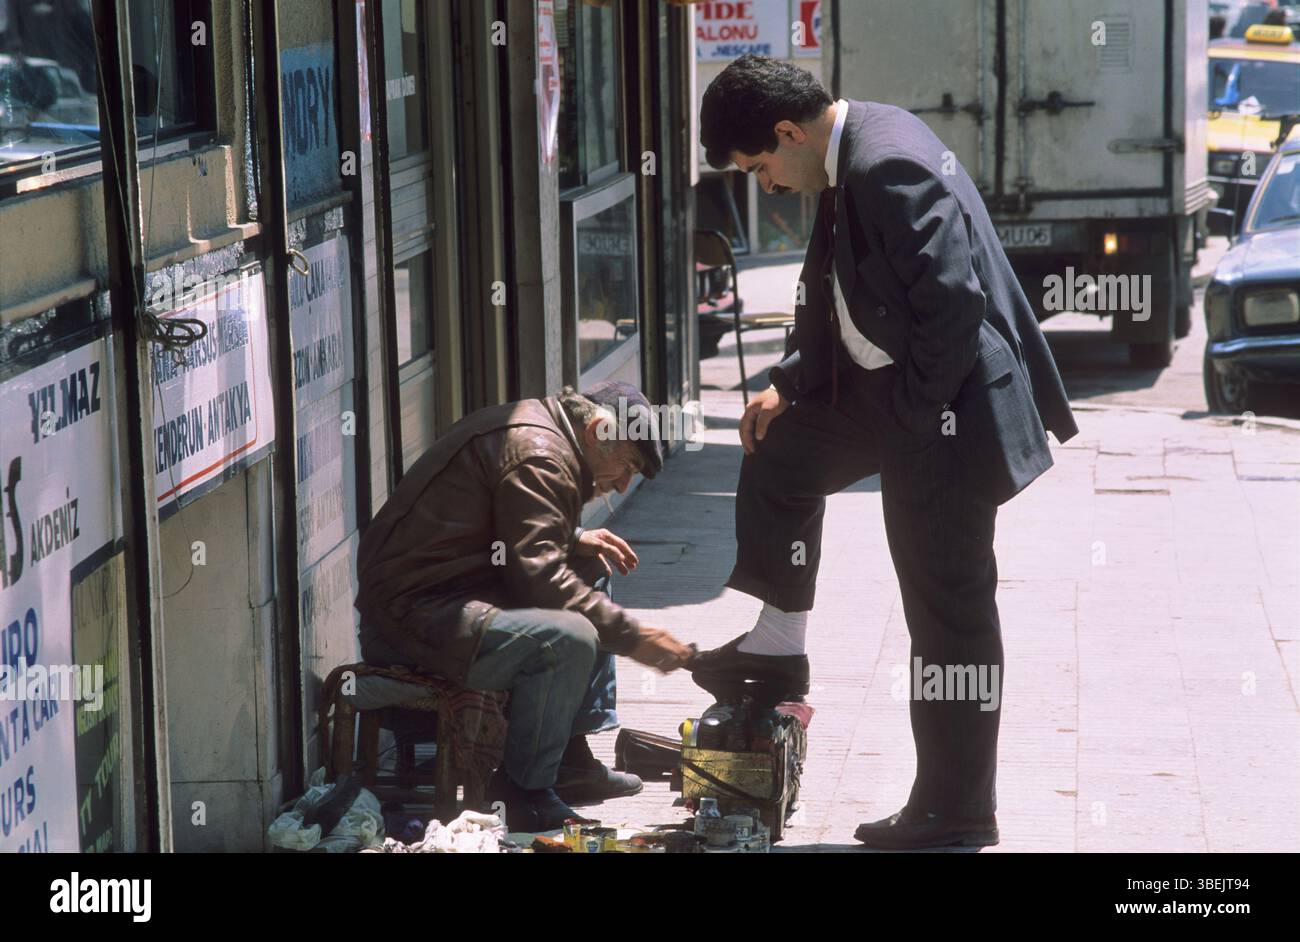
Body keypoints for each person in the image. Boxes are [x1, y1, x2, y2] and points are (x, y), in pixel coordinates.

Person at [694, 55, 1078, 849]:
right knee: (779, 452)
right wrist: (790, 385)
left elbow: (951, 304)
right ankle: (778, 649)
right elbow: (845, 294)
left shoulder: (885, 162)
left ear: (787, 132)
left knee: (947, 616)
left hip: (943, 413)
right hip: (893, 395)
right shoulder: (848, 154)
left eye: (761, 167)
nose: (765, 186)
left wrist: (912, 422)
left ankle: (956, 809)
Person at [353, 381, 693, 831]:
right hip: (411, 617)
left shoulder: (544, 431)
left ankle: (568, 754)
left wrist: (574, 539)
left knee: (591, 568)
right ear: (597, 430)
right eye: (626, 464)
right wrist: (637, 638)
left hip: (447, 593)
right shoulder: (540, 453)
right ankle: (522, 793)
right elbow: (540, 580)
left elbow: (501, 528)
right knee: (568, 639)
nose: (623, 483)